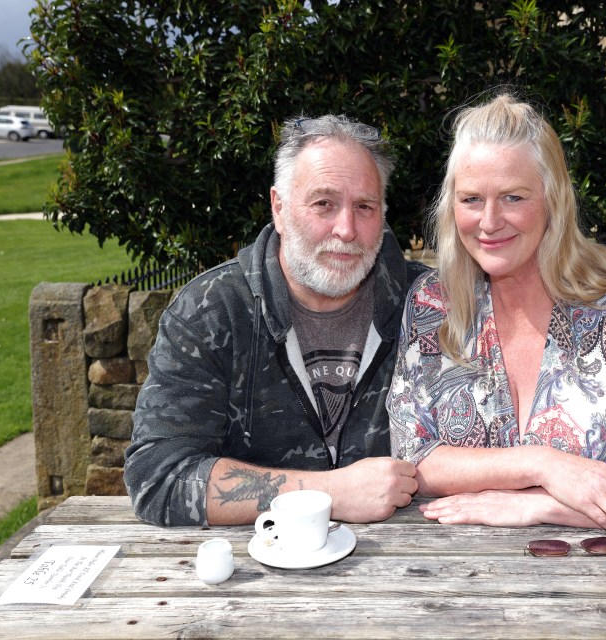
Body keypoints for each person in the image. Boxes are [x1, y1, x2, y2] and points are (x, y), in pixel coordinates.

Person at [387, 93, 606, 536]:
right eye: (472, 199)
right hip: (452, 582)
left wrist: (546, 505)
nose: (489, 221)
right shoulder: (432, 306)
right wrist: (543, 464)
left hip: (598, 587)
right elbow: (412, 457)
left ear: (553, 200)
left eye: (513, 197)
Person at [125, 114, 425, 526]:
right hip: (253, 576)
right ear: (279, 208)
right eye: (324, 203)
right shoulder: (212, 311)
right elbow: (158, 478)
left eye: (365, 207)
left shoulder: (428, 306)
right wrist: (330, 493)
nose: (347, 229)